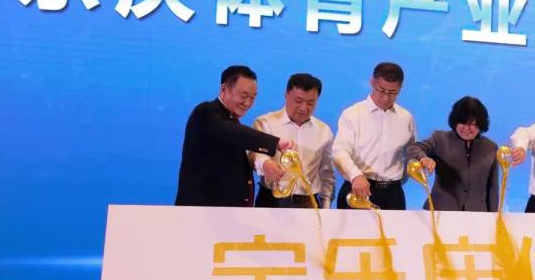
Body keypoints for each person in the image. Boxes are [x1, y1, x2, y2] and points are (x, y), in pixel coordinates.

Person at [175, 65, 293, 207]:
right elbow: (234, 133)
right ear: (224, 89)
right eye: (243, 96)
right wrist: (276, 143)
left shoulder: (231, 120)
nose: (248, 103)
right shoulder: (205, 113)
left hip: (226, 212)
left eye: (252, 97)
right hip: (201, 210)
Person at [333, 62, 416, 210]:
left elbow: (410, 153)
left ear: (400, 88)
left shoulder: (406, 118)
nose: (385, 97)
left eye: (392, 93)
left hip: (393, 193)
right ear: (372, 82)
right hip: (358, 189)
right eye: (381, 90)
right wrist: (356, 175)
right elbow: (340, 152)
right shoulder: (352, 114)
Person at [251, 73, 335, 209]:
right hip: (271, 200)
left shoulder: (324, 131)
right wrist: (266, 164)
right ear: (286, 94)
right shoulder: (265, 123)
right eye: (298, 101)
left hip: (309, 203)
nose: (303, 108)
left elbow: (327, 175)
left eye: (310, 103)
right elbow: (255, 155)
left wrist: (326, 207)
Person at [406, 96, 498, 212]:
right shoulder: (440, 139)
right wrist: (423, 158)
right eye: (462, 123)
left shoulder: (491, 147)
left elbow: (492, 187)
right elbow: (414, 148)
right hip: (442, 211)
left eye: (472, 124)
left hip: (477, 213)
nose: (466, 128)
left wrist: (494, 215)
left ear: (480, 124)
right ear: (455, 122)